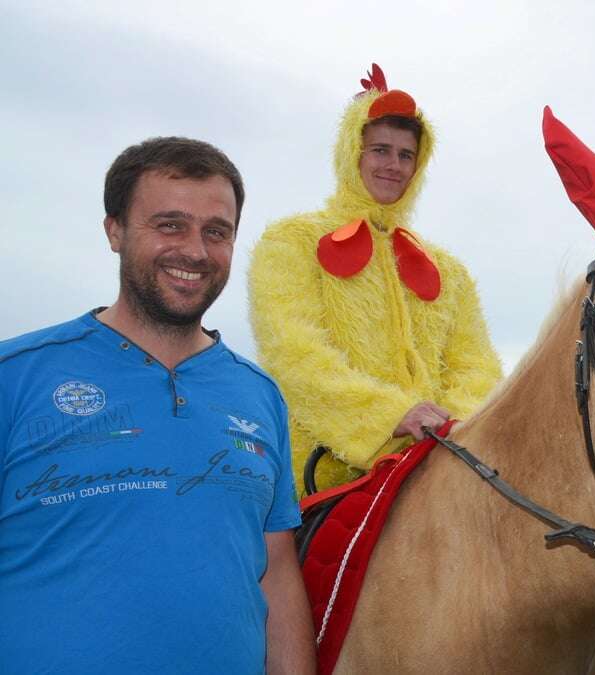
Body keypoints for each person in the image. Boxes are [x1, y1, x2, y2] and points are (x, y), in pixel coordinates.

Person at [0, 137, 315, 673]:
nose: (195, 250)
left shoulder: (259, 394)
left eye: (217, 232)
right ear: (115, 230)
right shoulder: (17, 375)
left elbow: (277, 576)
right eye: (170, 224)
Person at [248, 64, 501, 494]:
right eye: (380, 150)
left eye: (406, 155)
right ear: (352, 154)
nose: (394, 165)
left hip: (434, 473)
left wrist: (448, 427)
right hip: (320, 480)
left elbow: (478, 367)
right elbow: (294, 353)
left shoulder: (450, 271)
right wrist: (390, 416)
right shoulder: (291, 242)